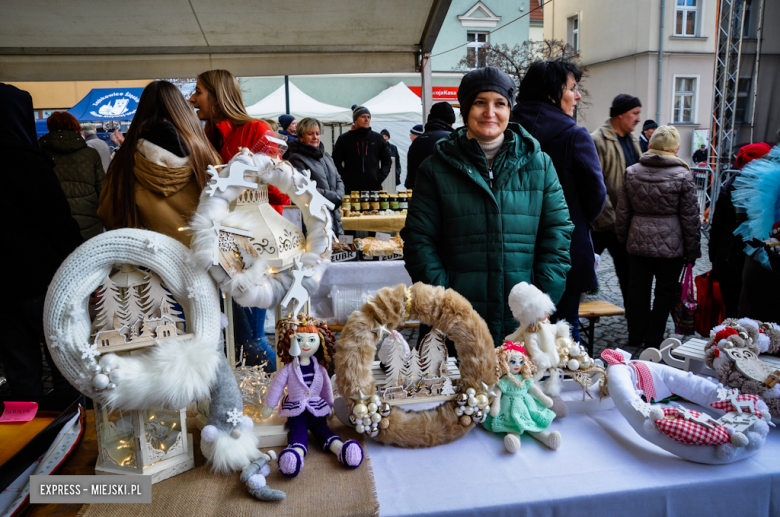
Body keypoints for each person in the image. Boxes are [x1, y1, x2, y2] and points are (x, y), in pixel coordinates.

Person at [401, 66, 574, 345]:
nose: (490, 112)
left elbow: (558, 234)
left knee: (519, 387)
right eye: (480, 102)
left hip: (521, 322)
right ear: (466, 108)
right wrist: (445, 301)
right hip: (457, 322)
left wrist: (540, 299)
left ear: (510, 109)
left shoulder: (539, 164)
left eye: (500, 103)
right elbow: (419, 240)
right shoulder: (435, 168)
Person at [189, 69, 287, 370]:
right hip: (219, 248)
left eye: (199, 92)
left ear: (217, 95)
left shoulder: (256, 130)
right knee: (233, 340)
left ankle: (299, 394)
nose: (193, 98)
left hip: (253, 249)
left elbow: (280, 192)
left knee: (252, 341)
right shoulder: (205, 136)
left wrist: (239, 180)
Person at [512, 60, 606, 344]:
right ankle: (569, 385)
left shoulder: (505, 132)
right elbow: (596, 199)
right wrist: (577, 218)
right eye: (572, 89)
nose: (577, 96)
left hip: (515, 248)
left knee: (516, 333)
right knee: (564, 330)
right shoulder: (574, 136)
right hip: (565, 249)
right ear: (553, 92)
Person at [0, 83, 83, 404]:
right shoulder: (28, 161)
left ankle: (28, 443)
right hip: (41, 282)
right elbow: (58, 223)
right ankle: (66, 439)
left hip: (3, 291)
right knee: (64, 366)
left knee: (21, 376)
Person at [99, 80, 220, 246]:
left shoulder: (124, 160)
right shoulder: (207, 155)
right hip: (200, 256)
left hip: (147, 261)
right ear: (182, 110)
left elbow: (109, 215)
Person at [615, 126, 701, 349]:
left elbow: (623, 212)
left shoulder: (632, 172)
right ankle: (654, 338)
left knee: (637, 291)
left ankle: (635, 335)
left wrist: (623, 240)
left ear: (651, 145)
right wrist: (692, 251)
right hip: (671, 247)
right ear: (675, 148)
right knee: (665, 293)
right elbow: (690, 217)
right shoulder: (683, 175)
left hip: (638, 242)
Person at [591, 94, 643, 309]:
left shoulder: (632, 139)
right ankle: (566, 320)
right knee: (583, 271)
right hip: (600, 224)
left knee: (629, 275)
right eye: (635, 113)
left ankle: (636, 329)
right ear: (620, 114)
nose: (638, 119)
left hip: (624, 224)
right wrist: (610, 217)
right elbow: (595, 183)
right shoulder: (597, 140)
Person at [708, 143, 772, 316]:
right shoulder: (767, 188)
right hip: (751, 260)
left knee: (731, 309)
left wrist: (714, 257)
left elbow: (717, 228)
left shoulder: (729, 184)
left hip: (728, 258)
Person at [39, 112, 106, 241]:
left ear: (49, 127)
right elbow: (102, 190)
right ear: (75, 127)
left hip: (53, 222)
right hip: (89, 223)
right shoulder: (91, 154)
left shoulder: (40, 154)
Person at [288, 117, 345, 237]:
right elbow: (304, 188)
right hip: (314, 217)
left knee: (335, 250)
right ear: (301, 137)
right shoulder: (296, 158)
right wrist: (334, 197)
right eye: (310, 134)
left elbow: (338, 179)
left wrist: (339, 195)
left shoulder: (326, 156)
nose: (315, 137)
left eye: (317, 133)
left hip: (334, 215)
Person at [331, 106, 392, 193]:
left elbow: (387, 160)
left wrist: (379, 177)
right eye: (363, 117)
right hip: (351, 190)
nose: (366, 120)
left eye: (368, 117)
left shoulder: (377, 138)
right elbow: (335, 161)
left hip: (374, 189)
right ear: (355, 120)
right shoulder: (344, 139)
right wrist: (345, 177)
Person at [405, 102, 455, 190]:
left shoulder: (417, 141)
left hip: (421, 196)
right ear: (450, 123)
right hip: (445, 197)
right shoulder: (452, 139)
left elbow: (411, 176)